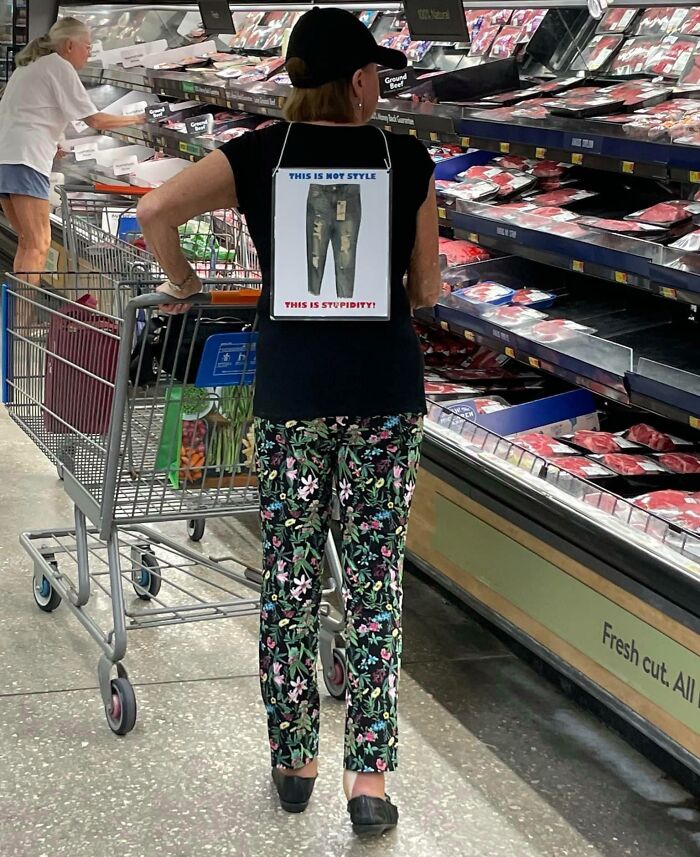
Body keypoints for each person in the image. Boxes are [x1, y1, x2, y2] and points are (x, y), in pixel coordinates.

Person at [136, 7, 441, 837]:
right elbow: (427, 290)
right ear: (359, 80)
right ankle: (368, 780)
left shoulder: (257, 154)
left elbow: (154, 210)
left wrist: (188, 284)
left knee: (292, 579)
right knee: (374, 584)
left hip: (293, 398)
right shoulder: (406, 159)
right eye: (374, 71)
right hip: (384, 395)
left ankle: (297, 759)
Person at [0, 17, 145, 305]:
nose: (89, 53)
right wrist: (142, 118)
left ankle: (15, 321)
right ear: (69, 45)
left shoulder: (30, 66)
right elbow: (95, 119)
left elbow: (22, 111)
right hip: (26, 161)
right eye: (88, 46)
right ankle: (22, 320)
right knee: (39, 244)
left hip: (8, 157)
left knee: (29, 242)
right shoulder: (59, 66)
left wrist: (54, 142)